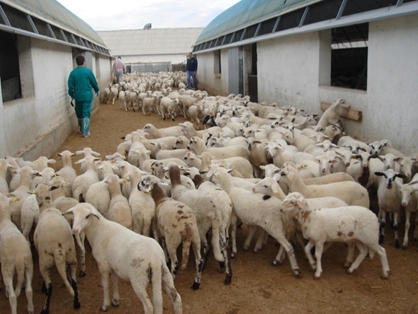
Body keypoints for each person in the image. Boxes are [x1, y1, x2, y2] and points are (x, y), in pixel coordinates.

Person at [67, 55, 99, 138]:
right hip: (87, 96)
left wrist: (72, 94)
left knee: (79, 112)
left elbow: (70, 86)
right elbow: (93, 82)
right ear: (84, 62)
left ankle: (82, 128)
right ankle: (85, 132)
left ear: (76, 62)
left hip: (78, 96)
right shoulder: (88, 72)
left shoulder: (73, 73)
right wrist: (96, 89)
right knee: (85, 113)